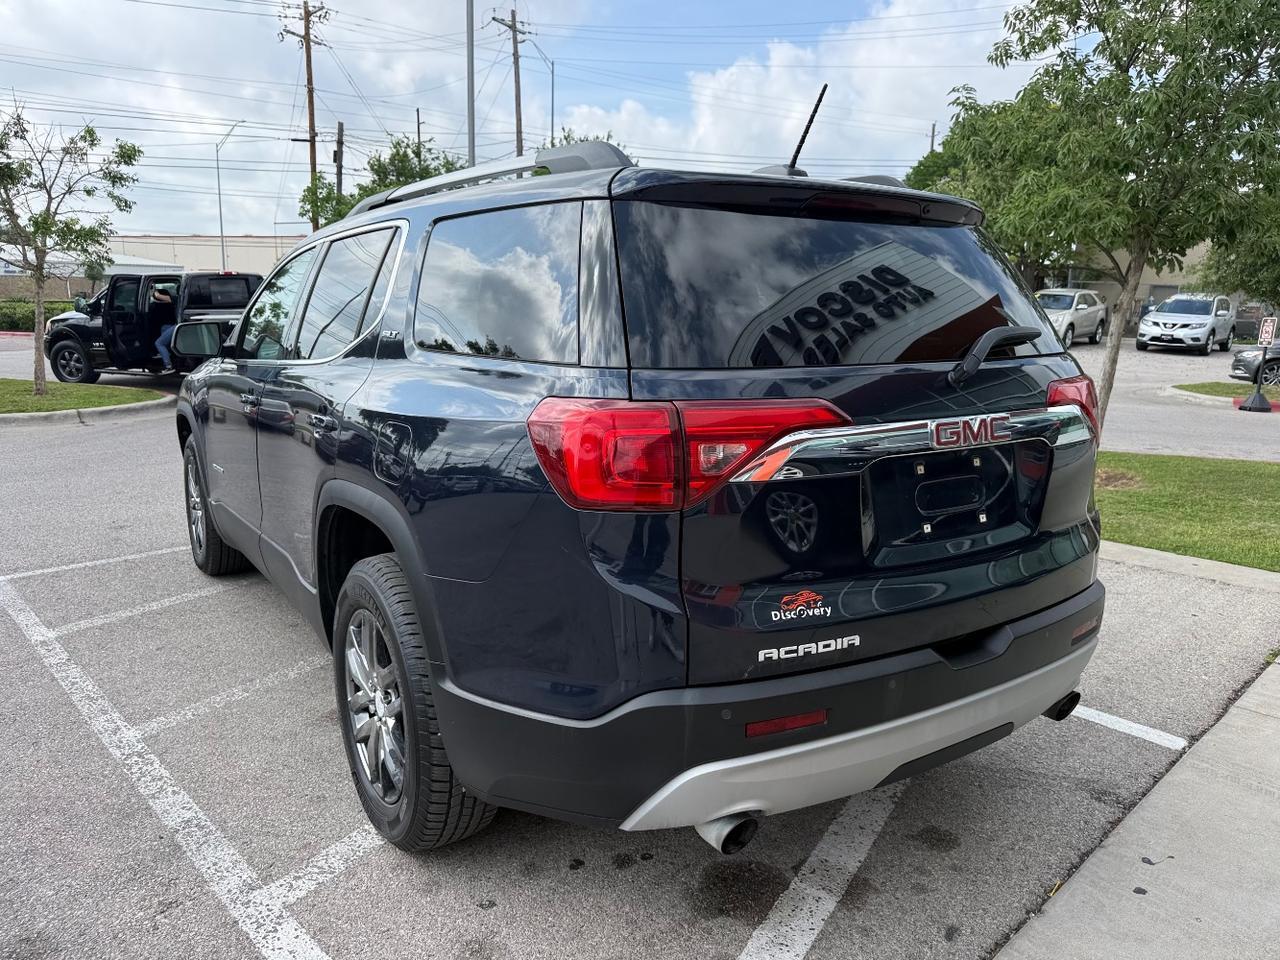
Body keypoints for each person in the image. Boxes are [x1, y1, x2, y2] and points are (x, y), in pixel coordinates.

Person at [151, 286, 178, 372]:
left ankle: (168, 366)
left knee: (159, 343)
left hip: (174, 326)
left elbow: (158, 296)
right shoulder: (173, 302)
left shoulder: (176, 299)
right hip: (170, 326)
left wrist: (154, 290)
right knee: (166, 344)